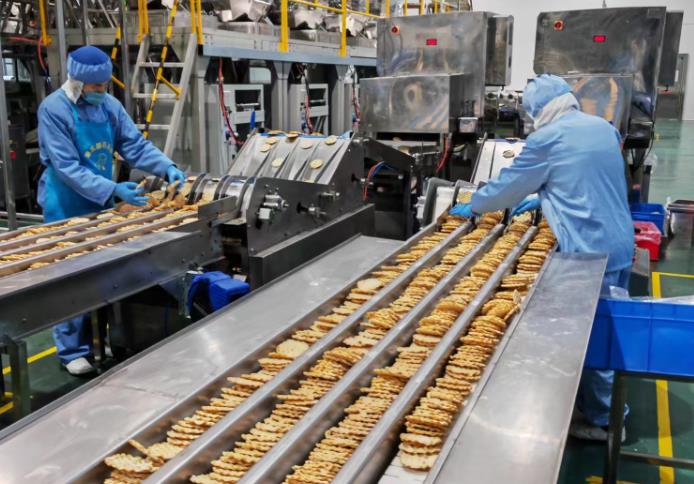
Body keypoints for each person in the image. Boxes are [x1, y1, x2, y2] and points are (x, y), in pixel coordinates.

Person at [450, 74, 634, 441]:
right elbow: (584, 177)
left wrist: (476, 205)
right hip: (619, 241)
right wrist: (547, 197)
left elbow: (508, 187)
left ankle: (606, 423)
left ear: (539, 111)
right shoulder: (601, 128)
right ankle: (601, 408)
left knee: (593, 338)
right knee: (610, 331)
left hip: (588, 252)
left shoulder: (547, 139)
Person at [37, 46, 186, 375]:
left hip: (100, 201)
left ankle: (97, 340)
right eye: (96, 86)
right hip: (66, 203)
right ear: (77, 83)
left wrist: (165, 166)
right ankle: (71, 350)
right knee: (70, 276)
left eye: (105, 85)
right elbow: (66, 166)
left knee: (101, 274)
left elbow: (133, 143)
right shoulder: (54, 110)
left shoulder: (109, 106)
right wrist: (113, 189)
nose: (102, 91)